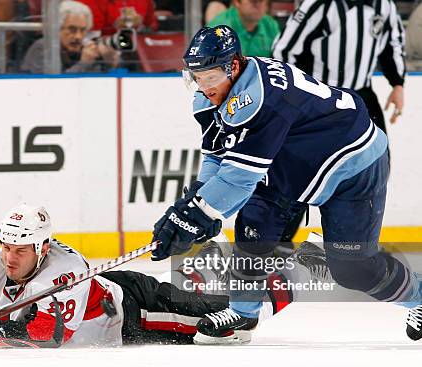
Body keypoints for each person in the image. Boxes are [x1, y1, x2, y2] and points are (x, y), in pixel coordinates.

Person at [150, 25, 422, 345]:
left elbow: (240, 178)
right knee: (255, 221)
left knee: (353, 268)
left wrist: (196, 214)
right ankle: (244, 312)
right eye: (196, 76)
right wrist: (196, 204)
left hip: (352, 162)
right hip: (293, 163)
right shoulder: (212, 95)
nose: (204, 86)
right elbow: (217, 158)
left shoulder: (264, 99)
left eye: (211, 77)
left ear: (233, 66)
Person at [0, 203, 238, 346]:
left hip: (133, 310)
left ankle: (279, 273)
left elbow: (47, 334)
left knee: (225, 318)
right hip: (117, 311)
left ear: (42, 248)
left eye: (20, 250)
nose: (9, 258)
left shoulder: (67, 269)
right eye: (5, 247)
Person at [272, 0, 406, 134]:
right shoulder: (319, 4)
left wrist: (397, 84)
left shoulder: (385, 5)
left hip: (364, 97)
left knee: (377, 152)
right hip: (320, 98)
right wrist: (294, 94)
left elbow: (393, 45)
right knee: (318, 153)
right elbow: (283, 50)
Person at [20, 0, 119, 74]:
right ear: (58, 28)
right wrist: (84, 63)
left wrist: (110, 64)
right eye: (72, 29)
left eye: (83, 30)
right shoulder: (43, 47)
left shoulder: (86, 50)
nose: (78, 36)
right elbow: (53, 88)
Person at [207, 0, 280, 57]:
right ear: (237, 2)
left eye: (262, 1)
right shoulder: (219, 29)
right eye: (253, 2)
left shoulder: (271, 25)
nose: (258, 6)